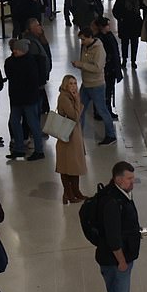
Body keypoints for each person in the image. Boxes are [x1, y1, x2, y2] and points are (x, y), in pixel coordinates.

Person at [95, 161, 141, 292]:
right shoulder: (113, 202)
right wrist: (122, 261)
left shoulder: (120, 195)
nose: (133, 182)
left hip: (119, 260)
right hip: (116, 263)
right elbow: (113, 238)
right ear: (118, 179)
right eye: (129, 178)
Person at [73, 27, 116, 145]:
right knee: (80, 110)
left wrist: (81, 65)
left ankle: (111, 135)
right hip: (86, 84)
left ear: (90, 37)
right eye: (80, 40)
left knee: (102, 111)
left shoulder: (99, 49)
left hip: (96, 85)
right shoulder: (85, 47)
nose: (82, 42)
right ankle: (78, 135)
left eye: (83, 39)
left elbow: (98, 68)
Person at [4, 38, 44, 161]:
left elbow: (31, 81)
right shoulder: (13, 61)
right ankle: (19, 148)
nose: (14, 51)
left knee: (33, 124)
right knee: (15, 122)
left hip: (27, 99)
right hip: (19, 99)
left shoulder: (29, 62)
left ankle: (38, 150)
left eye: (17, 49)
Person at [55, 74, 87, 204]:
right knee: (67, 166)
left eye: (75, 83)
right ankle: (68, 193)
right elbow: (74, 116)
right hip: (68, 137)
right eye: (70, 84)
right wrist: (78, 101)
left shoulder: (71, 97)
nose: (73, 86)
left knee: (74, 166)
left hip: (74, 136)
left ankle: (75, 191)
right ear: (65, 85)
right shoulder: (64, 98)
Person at [112, 0, 142, 68]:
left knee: (134, 43)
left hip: (135, 24)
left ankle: (133, 60)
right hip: (125, 24)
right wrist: (121, 18)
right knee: (125, 44)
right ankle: (124, 60)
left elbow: (142, 5)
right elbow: (115, 11)